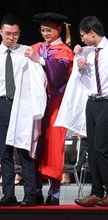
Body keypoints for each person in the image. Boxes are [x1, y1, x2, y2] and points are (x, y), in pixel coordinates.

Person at [0, 14, 47, 207]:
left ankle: (30, 194)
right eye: (8, 34)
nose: (12, 38)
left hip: (22, 105)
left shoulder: (27, 51)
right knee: (5, 152)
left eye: (16, 34)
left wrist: (38, 60)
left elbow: (43, 72)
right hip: (1, 105)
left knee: (25, 151)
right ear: (0, 32)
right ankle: (8, 194)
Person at [25, 12, 74, 206]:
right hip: (34, 105)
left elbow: (61, 72)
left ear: (59, 29)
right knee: (34, 145)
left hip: (55, 105)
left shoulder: (65, 51)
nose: (45, 33)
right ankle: (35, 189)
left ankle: (54, 192)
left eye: (49, 30)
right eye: (43, 30)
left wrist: (41, 60)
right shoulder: (35, 47)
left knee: (53, 146)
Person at [71, 16, 108, 207]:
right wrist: (79, 60)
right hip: (92, 103)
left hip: (106, 103)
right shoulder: (90, 53)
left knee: (101, 149)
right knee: (91, 149)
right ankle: (97, 192)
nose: (82, 39)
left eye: (83, 35)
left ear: (92, 33)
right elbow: (87, 80)